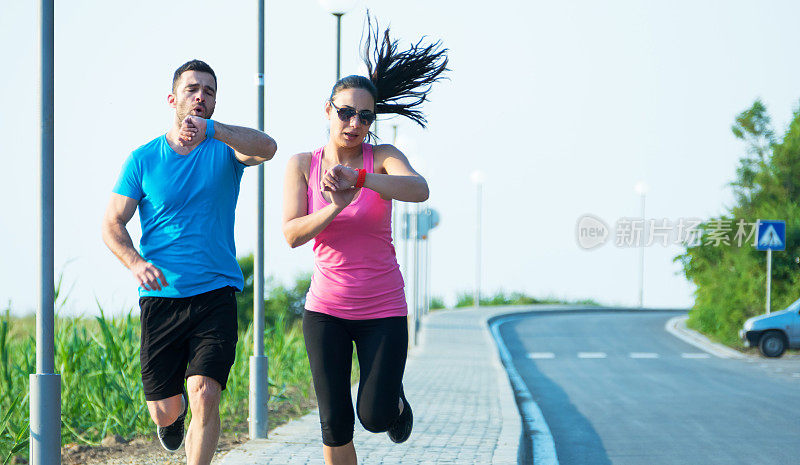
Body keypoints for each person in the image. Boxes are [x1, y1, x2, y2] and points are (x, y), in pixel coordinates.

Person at [281, 17, 448, 465]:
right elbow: (292, 234)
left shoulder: (383, 158)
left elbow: (419, 190)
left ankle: (393, 403)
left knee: (373, 418)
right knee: (335, 425)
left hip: (384, 310)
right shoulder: (302, 164)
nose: (355, 122)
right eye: (346, 112)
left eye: (365, 116)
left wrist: (361, 178)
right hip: (326, 312)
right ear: (328, 110)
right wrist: (336, 203)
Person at [101, 59, 277, 465]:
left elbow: (267, 147)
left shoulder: (226, 151)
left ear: (214, 105)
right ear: (172, 98)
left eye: (209, 91)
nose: (201, 96)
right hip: (162, 296)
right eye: (192, 89)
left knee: (204, 393)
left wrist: (213, 130)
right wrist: (133, 262)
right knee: (166, 407)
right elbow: (112, 222)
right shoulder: (143, 159)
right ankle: (169, 421)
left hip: (216, 291)